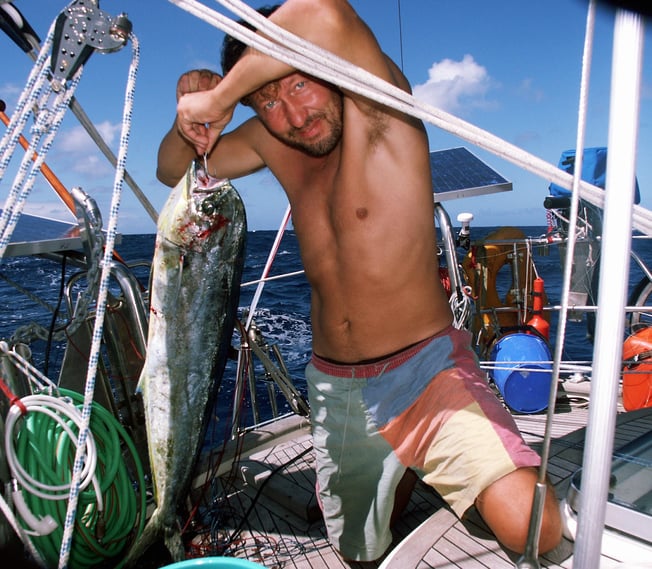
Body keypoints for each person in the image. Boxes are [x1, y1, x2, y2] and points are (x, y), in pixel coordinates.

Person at [157, 0, 562, 562]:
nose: (294, 116)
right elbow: (171, 170)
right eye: (267, 101)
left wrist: (220, 95)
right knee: (358, 554)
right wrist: (191, 116)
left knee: (535, 527)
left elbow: (324, 13)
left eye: (297, 85)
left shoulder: (380, 106)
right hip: (335, 386)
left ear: (325, 64)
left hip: (427, 372)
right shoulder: (271, 141)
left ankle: (416, 459)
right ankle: (398, 475)